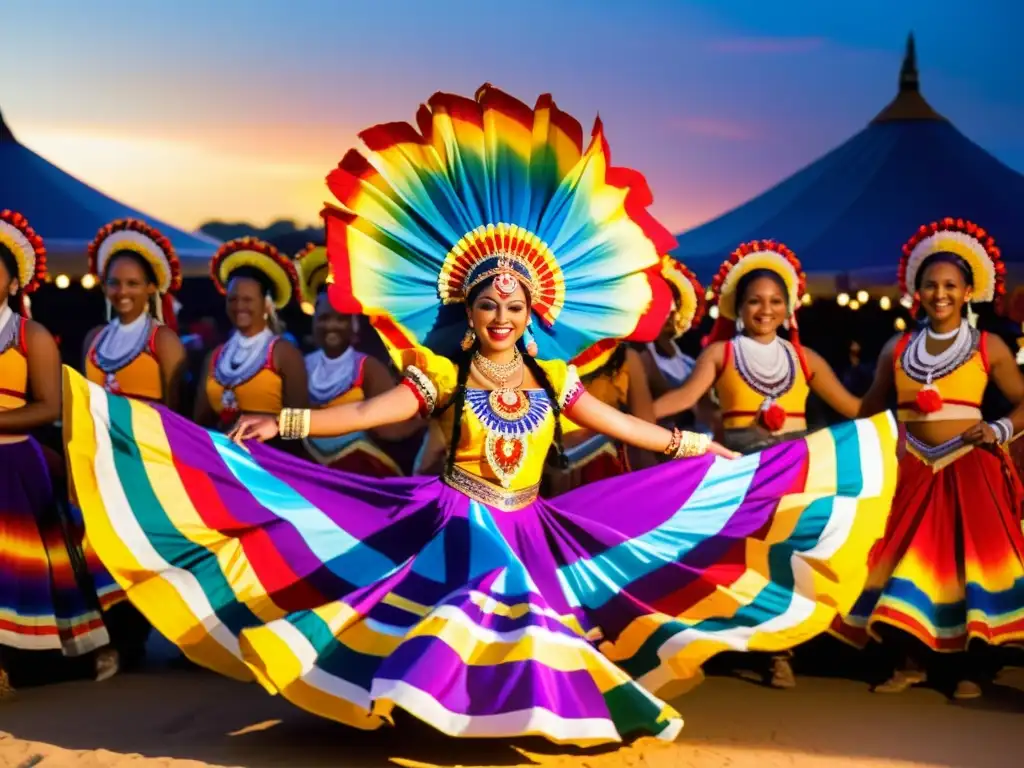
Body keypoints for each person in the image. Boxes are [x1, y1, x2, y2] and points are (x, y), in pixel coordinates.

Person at [64, 85, 899, 744]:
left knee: (526, 620)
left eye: (512, 303)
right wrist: (282, 427)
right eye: (487, 303)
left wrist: (696, 447)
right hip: (453, 515)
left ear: (533, 310)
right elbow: (373, 408)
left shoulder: (558, 378)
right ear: (471, 310)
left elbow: (627, 431)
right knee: (463, 602)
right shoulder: (443, 370)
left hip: (530, 523)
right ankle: (436, 710)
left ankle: (536, 713)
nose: (500, 315)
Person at [653, 240, 863, 688]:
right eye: (755, 301)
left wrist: (909, 408)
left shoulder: (805, 359)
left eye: (774, 301)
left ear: (788, 307)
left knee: (787, 562)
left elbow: (852, 406)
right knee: (738, 563)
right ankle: (724, 643)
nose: (764, 309)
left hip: (797, 474)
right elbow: (684, 400)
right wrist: (627, 416)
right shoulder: (721, 355)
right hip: (741, 471)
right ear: (738, 306)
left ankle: (779, 653)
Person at [832, 217, 1024, 700]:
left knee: (968, 569)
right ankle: (908, 660)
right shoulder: (897, 348)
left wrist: (999, 428)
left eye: (950, 286)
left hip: (970, 466)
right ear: (916, 290)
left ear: (968, 291)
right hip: (911, 467)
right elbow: (868, 411)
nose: (940, 293)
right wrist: (817, 438)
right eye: (931, 285)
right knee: (902, 565)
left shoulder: (989, 346)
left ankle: (971, 669)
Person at [0, 210, 116, 697]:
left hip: (15, 467)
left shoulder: (33, 336)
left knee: (18, 572)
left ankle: (24, 664)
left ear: (12, 282)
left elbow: (48, 408)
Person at [295, 243, 422, 474]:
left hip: (361, 474)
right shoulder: (301, 366)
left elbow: (390, 426)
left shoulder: (367, 368)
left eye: (340, 319)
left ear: (353, 324)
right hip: (309, 472)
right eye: (323, 318)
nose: (331, 325)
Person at [194, 237, 308, 432]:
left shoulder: (284, 354)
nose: (239, 307)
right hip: (221, 457)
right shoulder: (215, 357)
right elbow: (200, 422)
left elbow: (300, 425)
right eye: (233, 299)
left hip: (269, 457)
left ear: (266, 304)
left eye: (248, 300)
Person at [638, 255, 718, 435]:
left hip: (695, 437)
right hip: (659, 437)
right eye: (660, 303)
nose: (670, 310)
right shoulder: (641, 351)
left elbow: (706, 409)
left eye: (673, 304)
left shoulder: (687, 361)